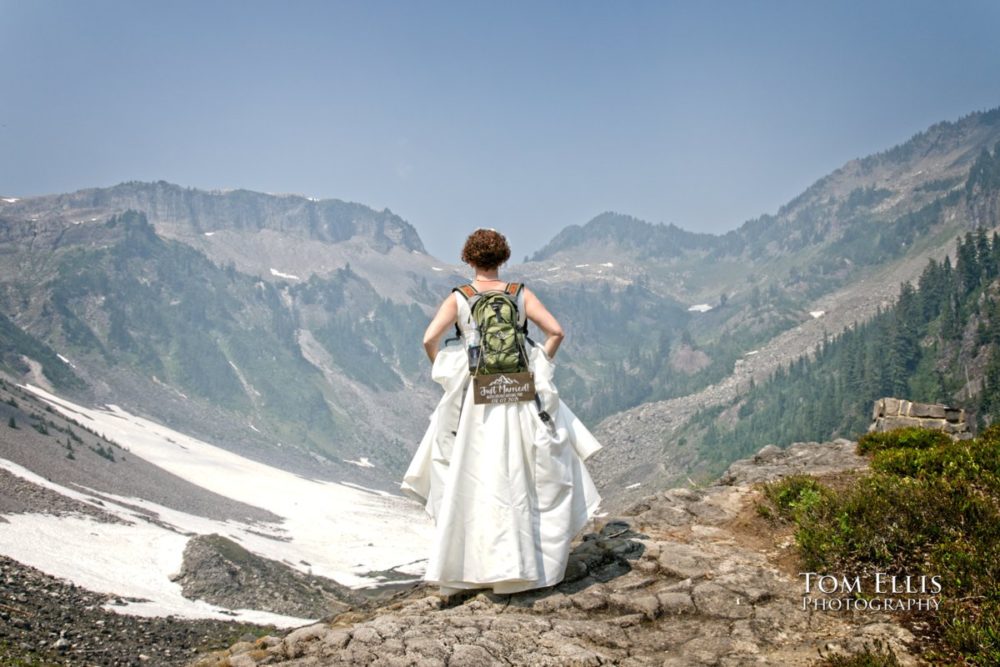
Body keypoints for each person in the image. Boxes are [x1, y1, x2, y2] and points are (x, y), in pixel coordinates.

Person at [401, 228, 602, 595]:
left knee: (475, 475)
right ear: (504, 258)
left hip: (477, 397)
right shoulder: (519, 294)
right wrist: (537, 362)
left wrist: (449, 371)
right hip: (520, 392)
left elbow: (429, 339)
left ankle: (475, 567)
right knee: (525, 474)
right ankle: (530, 566)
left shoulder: (460, 297)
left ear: (468, 259)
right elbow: (555, 331)